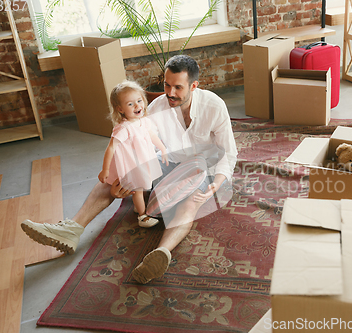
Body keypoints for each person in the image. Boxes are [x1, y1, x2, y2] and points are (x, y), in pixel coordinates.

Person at [20, 55, 238, 284]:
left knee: (192, 200)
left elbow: (229, 153)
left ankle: (161, 253)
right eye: (166, 84)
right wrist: (125, 176)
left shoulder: (214, 106)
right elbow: (138, 147)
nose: (170, 92)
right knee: (117, 175)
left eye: (178, 87)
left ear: (194, 86)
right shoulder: (156, 108)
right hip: (170, 161)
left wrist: (219, 180)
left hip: (201, 169)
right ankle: (72, 229)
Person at [98, 80, 168, 228]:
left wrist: (162, 148)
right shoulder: (124, 128)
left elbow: (152, 136)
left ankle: (138, 206)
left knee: (143, 185)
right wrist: (105, 170)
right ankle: (142, 216)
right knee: (138, 188)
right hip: (134, 163)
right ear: (120, 109)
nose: (137, 106)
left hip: (144, 159)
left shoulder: (143, 121)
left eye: (139, 100)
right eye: (130, 104)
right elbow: (111, 147)